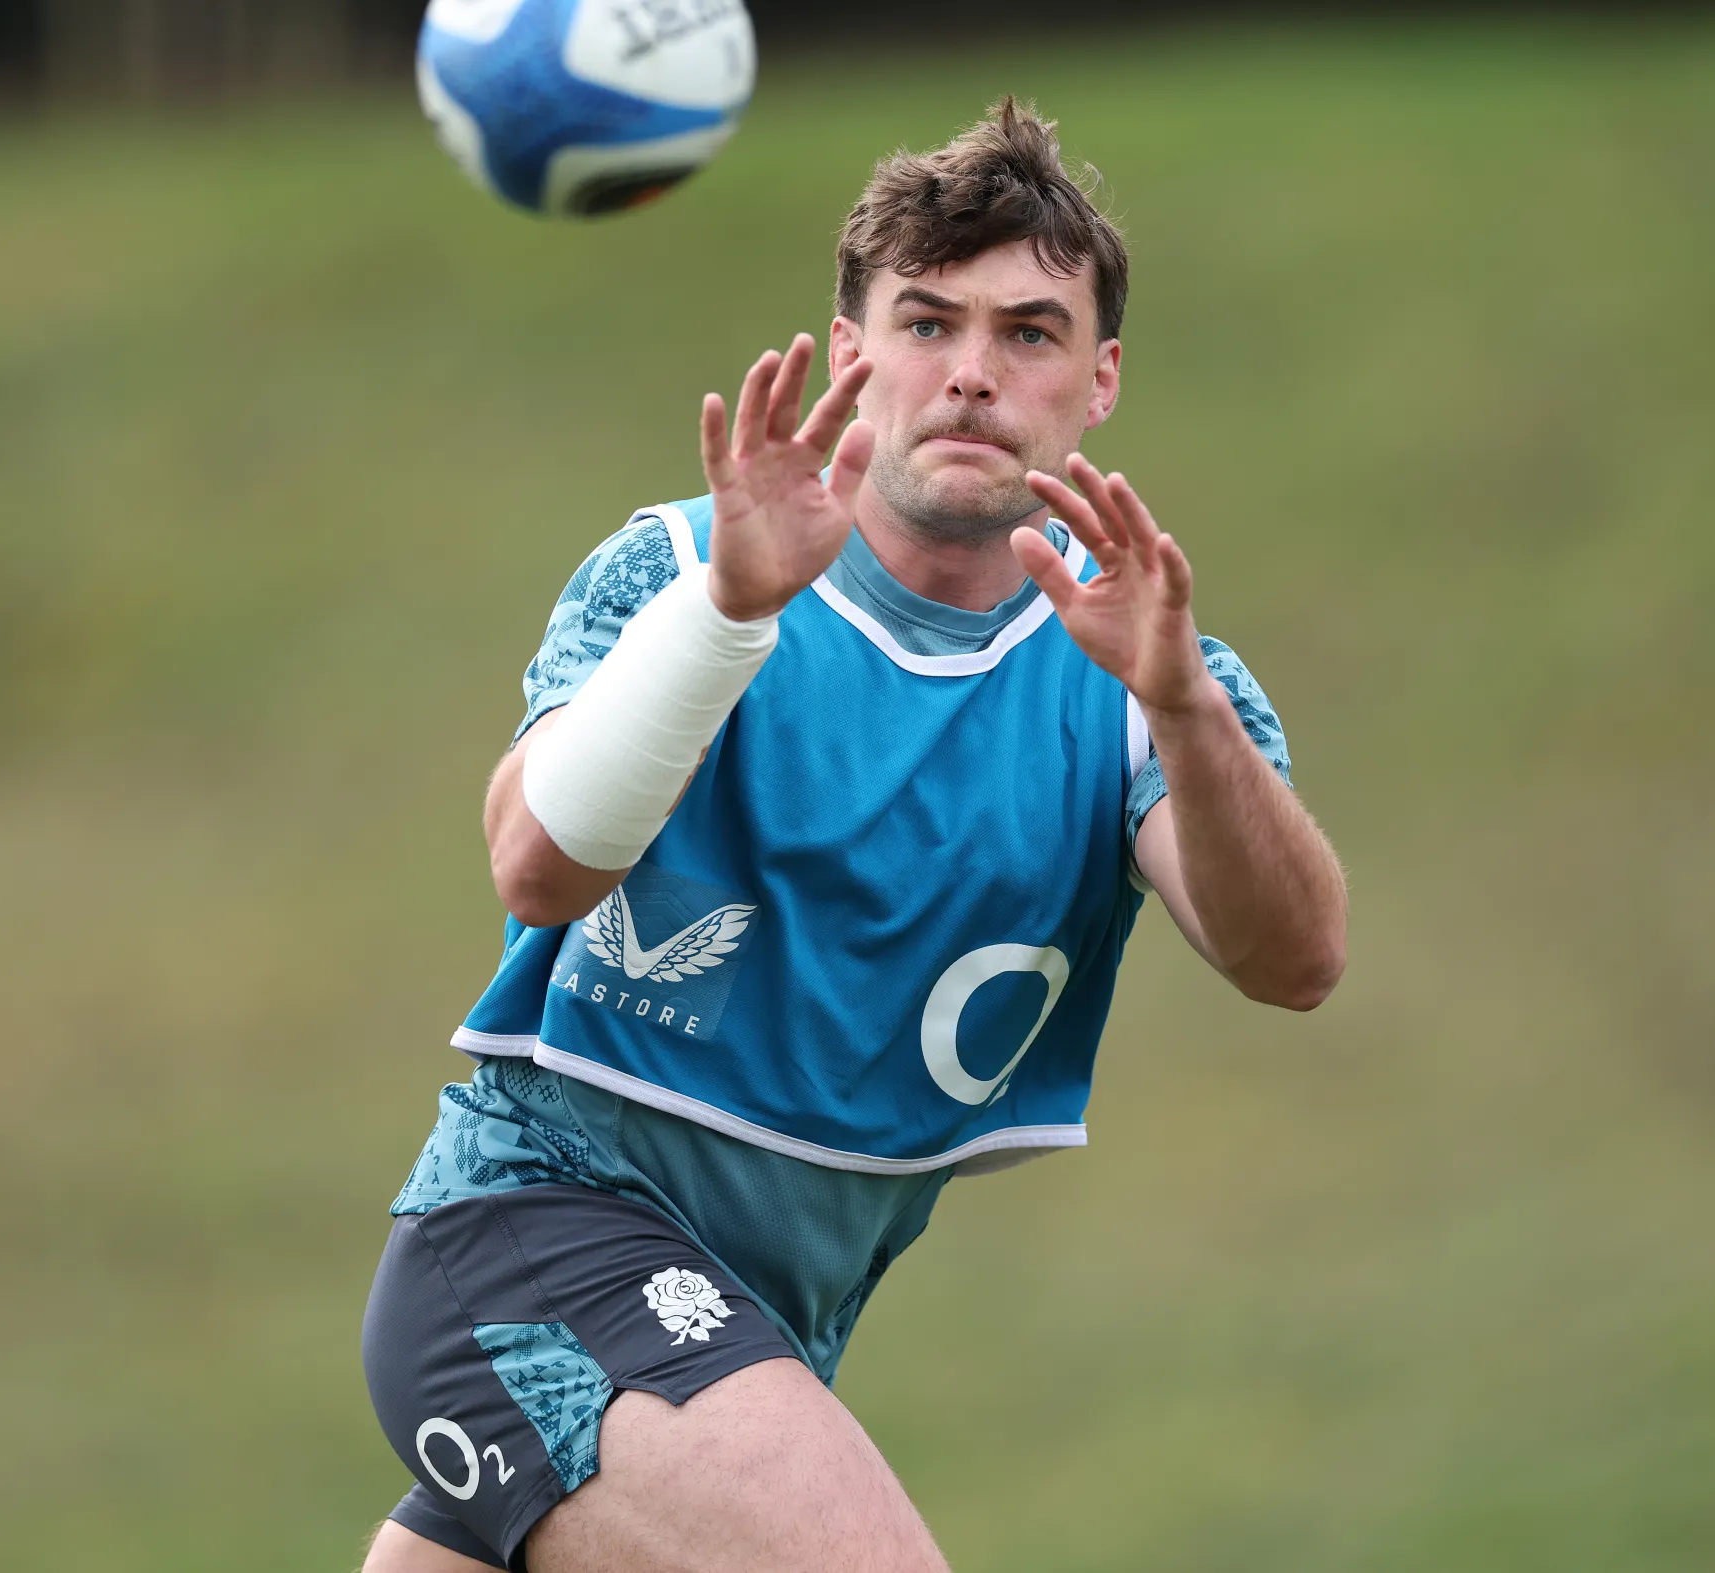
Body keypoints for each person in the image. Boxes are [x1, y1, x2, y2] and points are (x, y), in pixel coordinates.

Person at [358, 98, 1348, 1573]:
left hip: (761, 1324)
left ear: (1101, 379)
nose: (972, 375)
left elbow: (1296, 960)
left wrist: (1188, 706)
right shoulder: (685, 568)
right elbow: (536, 867)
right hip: (538, 1242)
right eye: (929, 323)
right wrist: (728, 617)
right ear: (853, 355)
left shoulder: (1141, 669)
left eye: (1029, 333)